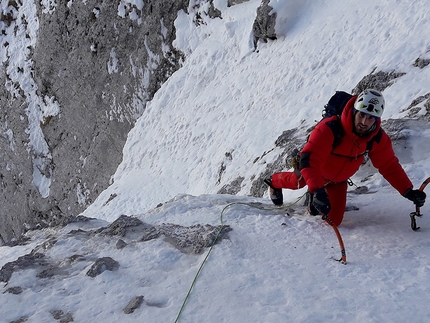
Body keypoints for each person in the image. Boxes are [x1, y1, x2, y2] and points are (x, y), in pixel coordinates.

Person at [265, 89, 426, 226]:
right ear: (355, 111)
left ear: (376, 119)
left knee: (333, 220)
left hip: (338, 181)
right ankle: (274, 181)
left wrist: (408, 191)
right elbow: (309, 159)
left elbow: (389, 165)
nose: (364, 122)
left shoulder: (376, 138)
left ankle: (314, 198)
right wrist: (317, 189)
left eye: (370, 118)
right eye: (362, 115)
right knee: (297, 181)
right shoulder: (331, 128)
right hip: (316, 172)